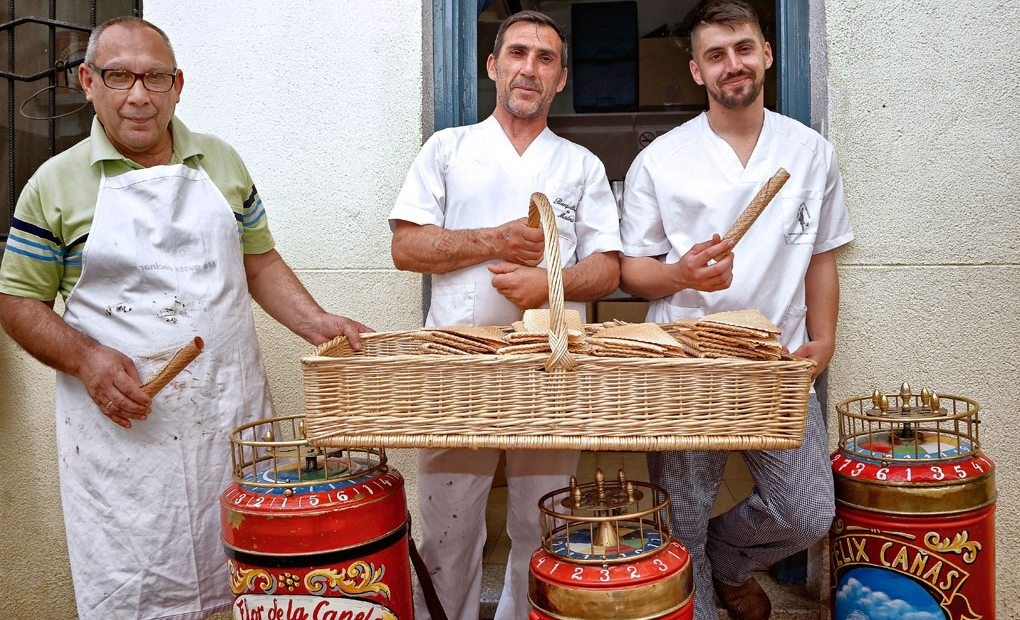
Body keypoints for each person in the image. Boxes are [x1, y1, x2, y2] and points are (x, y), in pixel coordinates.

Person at [0, 16, 370, 620]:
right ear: (88, 82)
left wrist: (314, 321)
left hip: (228, 418)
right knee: (139, 592)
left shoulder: (221, 162)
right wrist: (86, 359)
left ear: (178, 85)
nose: (138, 95)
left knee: (252, 575)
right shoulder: (54, 185)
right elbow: (17, 301)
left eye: (154, 77)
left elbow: (258, 261)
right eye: (119, 77)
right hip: (123, 438)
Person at [618, 1, 854, 619]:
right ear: (696, 71)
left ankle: (731, 558)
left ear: (767, 54)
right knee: (681, 523)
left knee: (806, 513)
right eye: (716, 55)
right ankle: (701, 584)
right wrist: (679, 272)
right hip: (686, 366)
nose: (733, 65)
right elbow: (632, 272)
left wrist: (823, 343)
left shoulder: (809, 153)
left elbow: (821, 257)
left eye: (743, 48)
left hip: (777, 362)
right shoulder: (660, 159)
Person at [389, 10, 621, 620]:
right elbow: (406, 247)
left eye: (546, 59)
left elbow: (609, 270)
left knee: (539, 523)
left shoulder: (580, 165)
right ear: (493, 67)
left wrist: (548, 285)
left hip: (550, 367)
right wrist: (496, 240)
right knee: (447, 529)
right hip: (457, 365)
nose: (530, 68)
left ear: (561, 79)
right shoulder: (448, 149)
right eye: (517, 53)